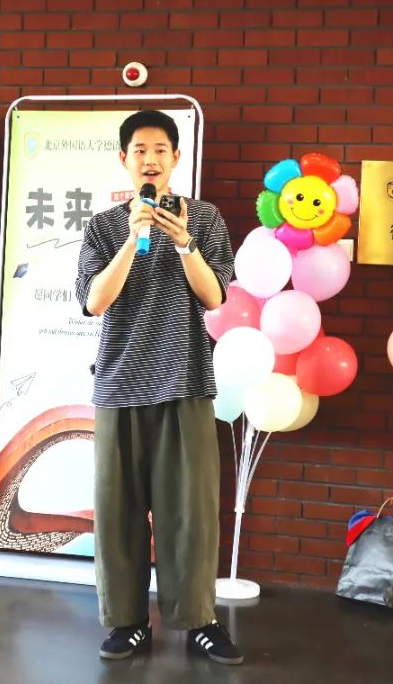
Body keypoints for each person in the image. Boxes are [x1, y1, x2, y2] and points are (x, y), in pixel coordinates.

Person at [75, 110, 242, 665]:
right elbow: (95, 301)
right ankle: (127, 621)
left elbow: (214, 297)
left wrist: (185, 244)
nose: (150, 160)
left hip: (185, 381)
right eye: (140, 151)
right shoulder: (103, 227)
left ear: (176, 158)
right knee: (118, 511)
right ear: (124, 159)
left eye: (160, 150)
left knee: (191, 512)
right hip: (120, 385)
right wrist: (133, 238)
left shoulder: (206, 219)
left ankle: (198, 620)